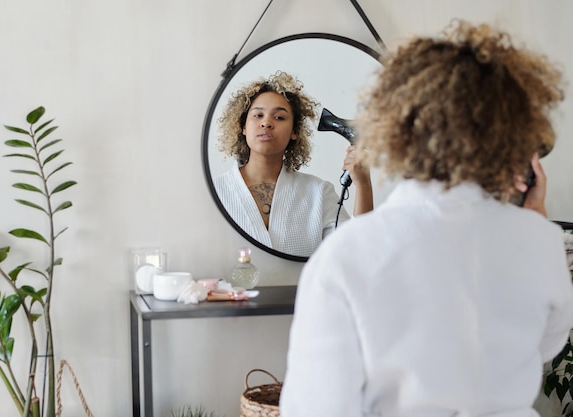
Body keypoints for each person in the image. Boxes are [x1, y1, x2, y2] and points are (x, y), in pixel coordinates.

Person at [280, 20, 573, 417]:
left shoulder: (346, 256)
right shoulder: (540, 241)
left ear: (399, 127)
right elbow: (541, 344)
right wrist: (533, 223)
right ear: (508, 133)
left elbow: (318, 408)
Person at [214, 71, 373, 257]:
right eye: (258, 115)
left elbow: (355, 252)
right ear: (243, 127)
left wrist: (363, 185)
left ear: (294, 132)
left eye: (279, 117)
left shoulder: (319, 193)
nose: (266, 123)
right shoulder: (215, 191)